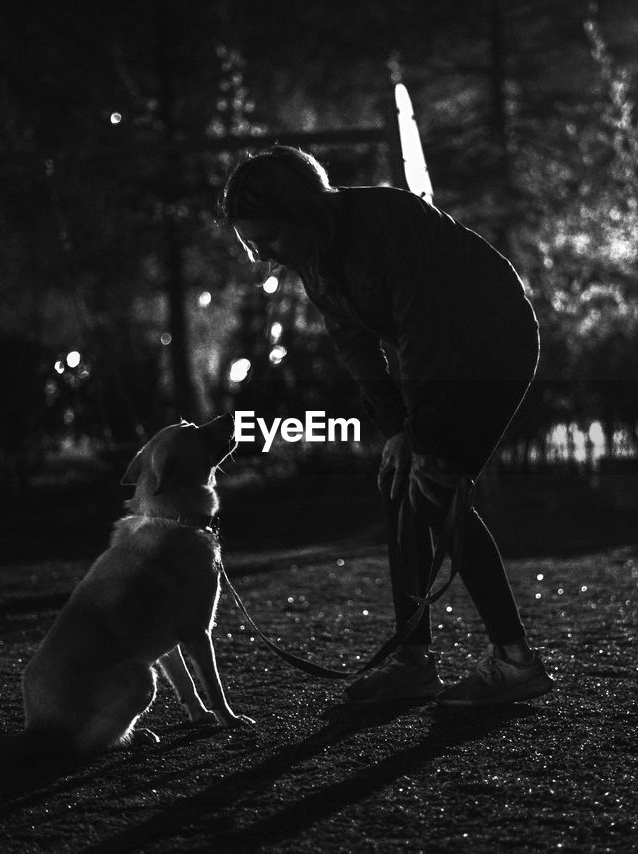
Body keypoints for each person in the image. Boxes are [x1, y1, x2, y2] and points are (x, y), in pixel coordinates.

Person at [220, 146, 552, 707]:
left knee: (437, 490)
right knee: (399, 484)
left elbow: (424, 335)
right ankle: (414, 662)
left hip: (493, 351)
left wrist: (426, 441)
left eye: (269, 240)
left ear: (306, 213)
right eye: (252, 244)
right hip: (436, 360)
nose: (262, 257)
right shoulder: (314, 261)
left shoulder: (390, 224)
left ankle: (516, 661)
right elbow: (356, 347)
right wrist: (397, 432)